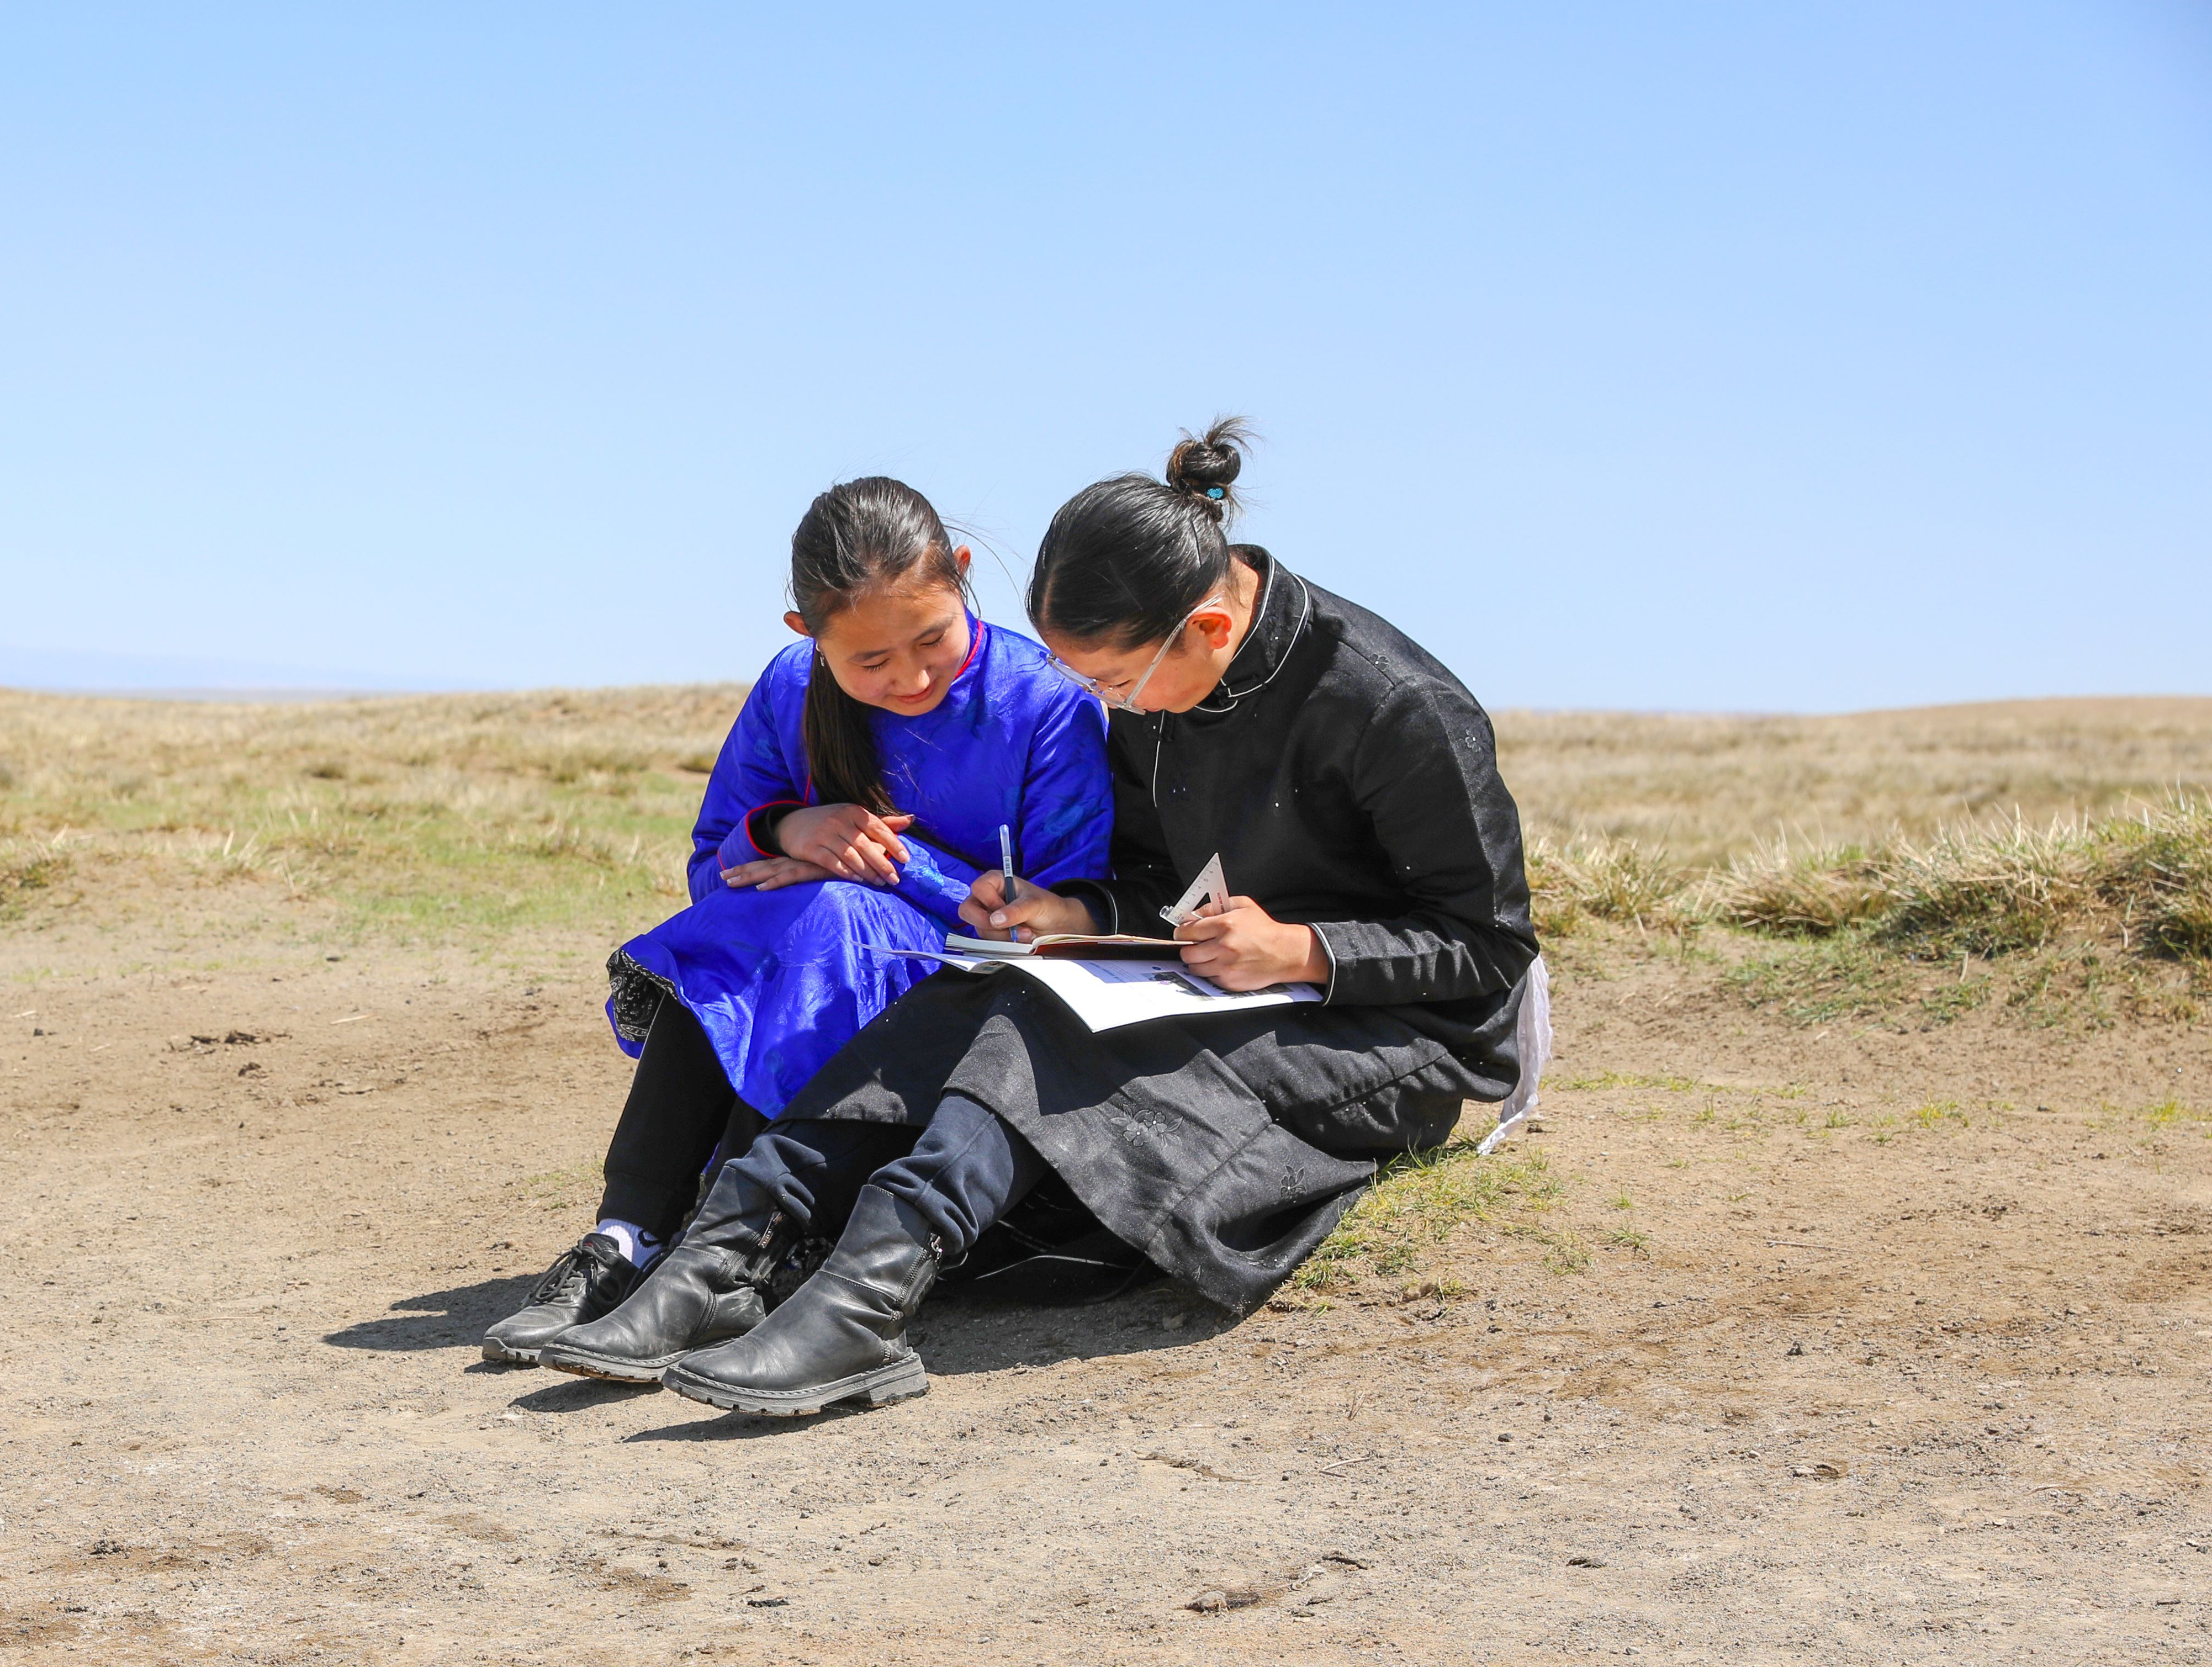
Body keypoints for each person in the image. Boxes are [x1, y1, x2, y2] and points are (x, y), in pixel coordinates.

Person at [541, 420, 1544, 1415]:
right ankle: (726, 1251)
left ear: (1210, 630)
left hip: (1395, 1029)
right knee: (989, 998)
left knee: (1048, 1042)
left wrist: (1306, 950)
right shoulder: (1167, 692)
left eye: (1112, 683)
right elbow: (1152, 874)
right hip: (1230, 975)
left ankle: (863, 1297)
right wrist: (1076, 909)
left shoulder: (1397, 708)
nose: (1103, 705)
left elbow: (1491, 946)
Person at [480, 478, 1112, 1368]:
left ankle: (722, 1255)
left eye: (932, 638)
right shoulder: (788, 689)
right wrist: (787, 827)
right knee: (768, 918)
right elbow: (713, 871)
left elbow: (1056, 921)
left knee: (825, 917)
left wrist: (877, 864)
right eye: (870, 663)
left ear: (964, 575)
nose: (910, 677)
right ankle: (624, 1239)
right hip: (812, 956)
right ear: (805, 636)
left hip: (966, 999)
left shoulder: (1048, 702)